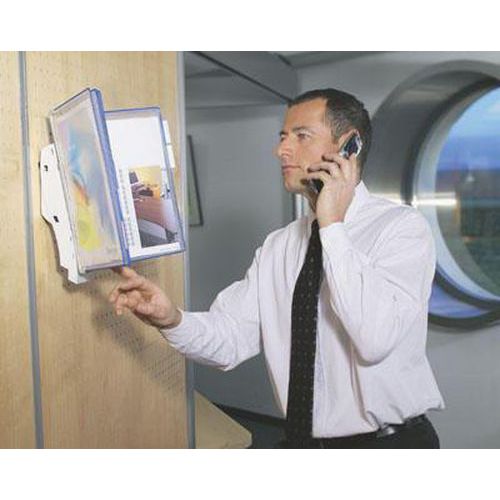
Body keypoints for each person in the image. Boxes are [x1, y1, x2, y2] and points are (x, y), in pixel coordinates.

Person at [109, 88, 445, 448]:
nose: (281, 150)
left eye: (301, 136)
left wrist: (332, 226)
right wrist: (170, 318)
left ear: (349, 146)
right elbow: (229, 338)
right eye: (283, 137)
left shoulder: (401, 229)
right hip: (302, 444)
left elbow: (375, 338)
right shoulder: (278, 247)